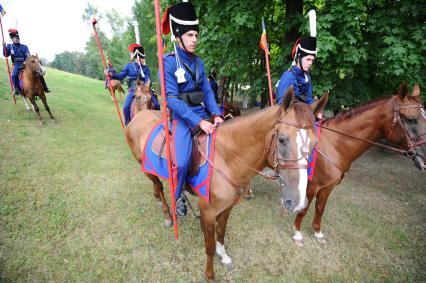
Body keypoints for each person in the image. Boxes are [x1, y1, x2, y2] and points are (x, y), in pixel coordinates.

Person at [161, 2, 224, 217]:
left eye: (196, 35)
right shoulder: (168, 62)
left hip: (203, 112)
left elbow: (207, 91)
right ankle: (177, 195)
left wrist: (216, 114)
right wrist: (199, 122)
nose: (195, 39)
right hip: (183, 117)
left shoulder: (199, 62)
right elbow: (171, 100)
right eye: (189, 35)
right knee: (182, 162)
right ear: (178, 36)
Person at [106, 43, 160, 125]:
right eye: (140, 57)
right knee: (125, 107)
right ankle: (128, 125)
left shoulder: (146, 69)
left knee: (157, 104)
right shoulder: (129, 66)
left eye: (142, 58)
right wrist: (111, 74)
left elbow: (147, 79)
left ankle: (159, 123)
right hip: (133, 90)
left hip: (145, 90)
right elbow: (120, 76)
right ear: (136, 57)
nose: (142, 59)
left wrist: (147, 85)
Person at [2, 29, 50, 96]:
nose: (16, 39)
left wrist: (25, 62)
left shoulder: (24, 47)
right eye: (14, 38)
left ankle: (44, 86)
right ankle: (16, 89)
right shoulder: (9, 46)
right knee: (13, 75)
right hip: (16, 65)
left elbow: (28, 56)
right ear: (12, 39)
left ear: (19, 39)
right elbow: (5, 54)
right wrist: (4, 46)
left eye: (17, 38)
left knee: (38, 72)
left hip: (25, 64)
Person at [275, 36, 317, 105]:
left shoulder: (307, 77)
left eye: (312, 60)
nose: (310, 63)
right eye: (308, 59)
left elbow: (309, 101)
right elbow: (282, 105)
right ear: (299, 58)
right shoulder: (288, 76)